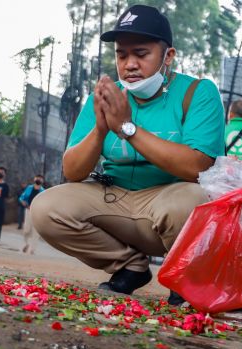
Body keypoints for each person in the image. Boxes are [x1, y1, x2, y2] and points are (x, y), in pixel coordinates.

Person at [30, 4, 224, 295]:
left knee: (191, 201)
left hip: (168, 202)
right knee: (46, 208)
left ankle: (185, 274)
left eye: (141, 54)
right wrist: (100, 129)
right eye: (122, 54)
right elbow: (72, 171)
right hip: (114, 199)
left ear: (168, 56)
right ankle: (130, 266)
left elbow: (197, 166)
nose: (130, 64)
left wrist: (127, 128)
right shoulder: (106, 95)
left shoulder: (197, 92)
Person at [20, 175, 45, 254]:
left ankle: (32, 249)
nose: (38, 179)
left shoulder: (43, 191)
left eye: (40, 178)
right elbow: (21, 197)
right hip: (28, 210)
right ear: (34, 179)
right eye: (37, 178)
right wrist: (23, 202)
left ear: (42, 181)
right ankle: (26, 244)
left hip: (37, 213)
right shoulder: (29, 188)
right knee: (26, 229)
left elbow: (45, 203)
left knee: (36, 232)